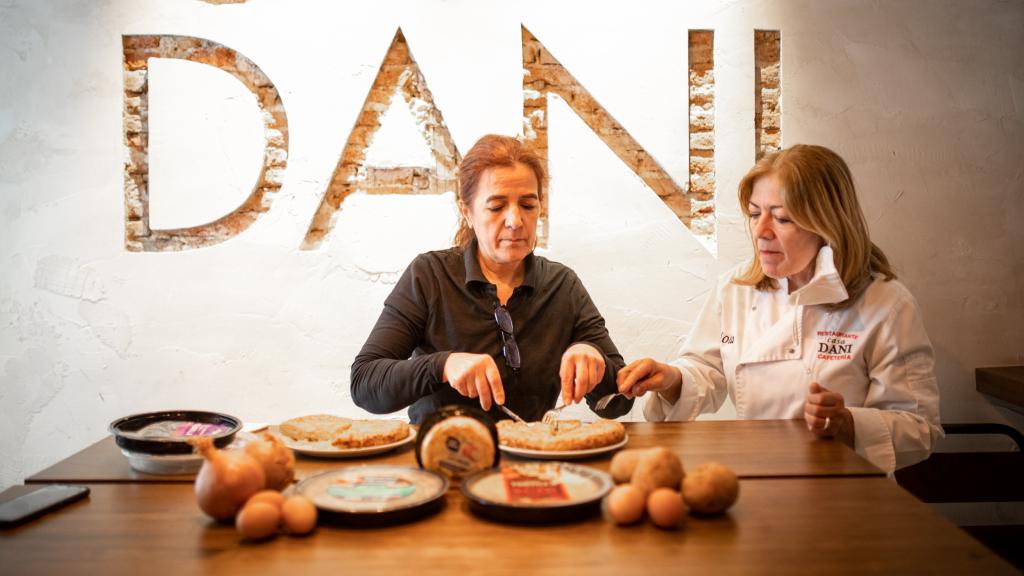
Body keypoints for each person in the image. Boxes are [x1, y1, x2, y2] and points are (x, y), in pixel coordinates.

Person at [617, 144, 941, 473]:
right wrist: (671, 379)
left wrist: (848, 424)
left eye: (782, 218)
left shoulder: (886, 303)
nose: (761, 231)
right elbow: (707, 369)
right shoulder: (735, 289)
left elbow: (921, 429)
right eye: (755, 214)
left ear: (827, 224)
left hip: (845, 487)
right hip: (757, 474)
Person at [351, 134, 633, 424]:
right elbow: (364, 383)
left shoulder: (562, 285)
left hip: (531, 450)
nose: (515, 221)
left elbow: (618, 404)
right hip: (443, 449)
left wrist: (594, 359)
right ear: (468, 212)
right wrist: (443, 365)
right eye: (497, 207)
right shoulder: (429, 275)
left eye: (528, 205)